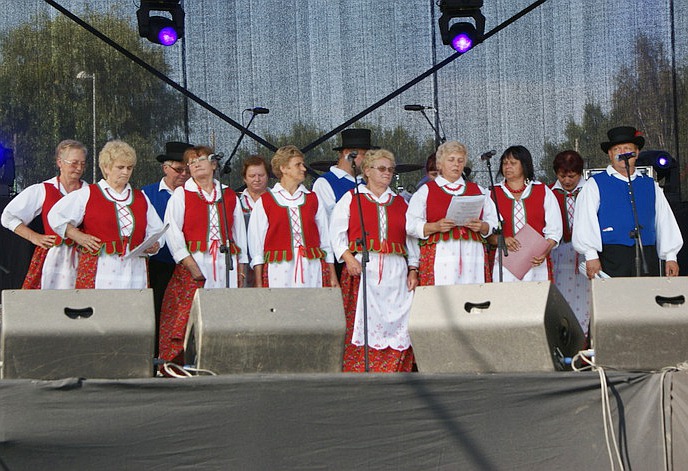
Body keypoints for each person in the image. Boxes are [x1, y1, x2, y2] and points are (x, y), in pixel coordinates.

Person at [158, 145, 248, 366]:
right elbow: (172, 231)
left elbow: (239, 233)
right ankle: (188, 363)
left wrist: (241, 269)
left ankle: (221, 360)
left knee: (225, 312)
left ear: (214, 164)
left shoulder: (228, 195)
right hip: (195, 263)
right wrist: (190, 264)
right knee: (190, 314)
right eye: (191, 162)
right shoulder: (182, 194)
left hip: (225, 265)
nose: (196, 165)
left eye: (200, 160)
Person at [330, 149, 419, 372]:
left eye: (390, 169)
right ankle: (361, 370)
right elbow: (336, 233)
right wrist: (348, 258)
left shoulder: (401, 203)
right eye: (381, 168)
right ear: (367, 171)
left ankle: (393, 369)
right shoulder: (352, 198)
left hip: (395, 270)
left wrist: (413, 269)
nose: (387, 173)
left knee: (398, 322)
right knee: (362, 321)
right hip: (363, 268)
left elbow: (411, 240)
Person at [48, 140, 164, 289]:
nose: (125, 172)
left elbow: (157, 230)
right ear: (106, 168)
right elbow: (56, 216)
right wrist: (77, 235)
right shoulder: (88, 193)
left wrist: (155, 245)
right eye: (120, 167)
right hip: (100, 266)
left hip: (134, 268)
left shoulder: (140, 197)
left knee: (133, 302)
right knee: (100, 302)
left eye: (129, 168)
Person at [573, 126, 682, 278]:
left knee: (647, 292)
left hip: (647, 253)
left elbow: (664, 220)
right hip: (612, 255)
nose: (622, 153)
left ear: (636, 153)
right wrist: (591, 254)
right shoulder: (594, 184)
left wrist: (671, 256)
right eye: (617, 149)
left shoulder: (650, 184)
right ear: (610, 154)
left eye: (627, 149)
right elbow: (585, 220)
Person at [406, 140, 498, 285]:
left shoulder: (478, 190)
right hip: (440, 255)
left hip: (472, 255)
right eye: (451, 160)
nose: (456, 164)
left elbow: (494, 221)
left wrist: (482, 226)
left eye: (460, 161)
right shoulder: (426, 191)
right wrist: (435, 226)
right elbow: (411, 225)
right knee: (443, 295)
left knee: (473, 295)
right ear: (440, 164)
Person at [1, 140, 88, 289]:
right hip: (53, 257)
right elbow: (8, 217)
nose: (79, 168)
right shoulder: (43, 190)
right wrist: (34, 237)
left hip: (84, 257)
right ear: (60, 162)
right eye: (74, 163)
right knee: (49, 298)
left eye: (82, 163)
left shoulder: (89, 191)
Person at [248, 145, 338, 288]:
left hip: (311, 268)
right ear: (284, 168)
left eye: (302, 164)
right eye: (298, 164)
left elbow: (325, 241)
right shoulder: (266, 201)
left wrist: (332, 275)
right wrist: (259, 283)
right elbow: (256, 246)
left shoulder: (313, 199)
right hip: (279, 270)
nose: (303, 168)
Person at [141, 141, 192, 354]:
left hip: (189, 265)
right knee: (156, 311)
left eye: (187, 170)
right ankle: (156, 357)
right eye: (179, 170)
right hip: (160, 264)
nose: (184, 175)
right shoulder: (147, 194)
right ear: (165, 168)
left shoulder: (194, 193)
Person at [490, 145, 562, 282]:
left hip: (535, 262)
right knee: (505, 295)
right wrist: (501, 240)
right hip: (504, 263)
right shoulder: (492, 193)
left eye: (513, 163)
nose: (507, 166)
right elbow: (486, 232)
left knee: (536, 295)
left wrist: (544, 252)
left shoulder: (542, 191)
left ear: (524, 165)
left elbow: (554, 230)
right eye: (504, 163)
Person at [549, 150, 589, 334]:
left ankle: (585, 337)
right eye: (562, 176)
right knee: (561, 296)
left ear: (579, 173)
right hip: (559, 253)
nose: (566, 181)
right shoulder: (549, 192)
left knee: (586, 298)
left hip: (586, 253)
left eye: (571, 176)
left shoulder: (590, 190)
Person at [312, 128, 378, 218]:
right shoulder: (325, 183)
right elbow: (323, 220)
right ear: (347, 153)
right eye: (364, 154)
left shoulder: (367, 181)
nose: (368, 160)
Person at [239, 155, 270, 287]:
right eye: (252, 176)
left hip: (269, 261)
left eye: (261, 175)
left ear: (268, 176)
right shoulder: (237, 202)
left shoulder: (277, 201)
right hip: (244, 262)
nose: (257, 179)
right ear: (245, 178)